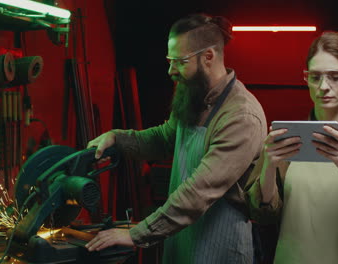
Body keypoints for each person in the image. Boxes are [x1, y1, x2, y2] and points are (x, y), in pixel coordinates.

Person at [85, 13, 267, 264]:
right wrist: (117, 139)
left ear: (209, 57)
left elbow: (200, 191)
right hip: (182, 238)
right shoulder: (194, 94)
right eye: (170, 61)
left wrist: (136, 234)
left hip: (221, 245)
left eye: (180, 62)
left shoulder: (241, 116)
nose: (171, 70)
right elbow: (164, 139)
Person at [245, 31, 338, 264]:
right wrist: (268, 165)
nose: (323, 86)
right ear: (305, 78)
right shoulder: (286, 139)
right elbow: (261, 216)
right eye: (315, 77)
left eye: (335, 76)